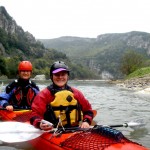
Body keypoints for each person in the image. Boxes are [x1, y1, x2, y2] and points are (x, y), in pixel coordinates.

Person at [30, 61, 94, 131]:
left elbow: (88, 110)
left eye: (63, 74)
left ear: (67, 76)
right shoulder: (44, 95)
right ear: (51, 76)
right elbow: (34, 114)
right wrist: (39, 124)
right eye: (57, 74)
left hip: (75, 129)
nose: (60, 77)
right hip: (52, 130)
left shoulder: (76, 93)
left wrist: (86, 121)